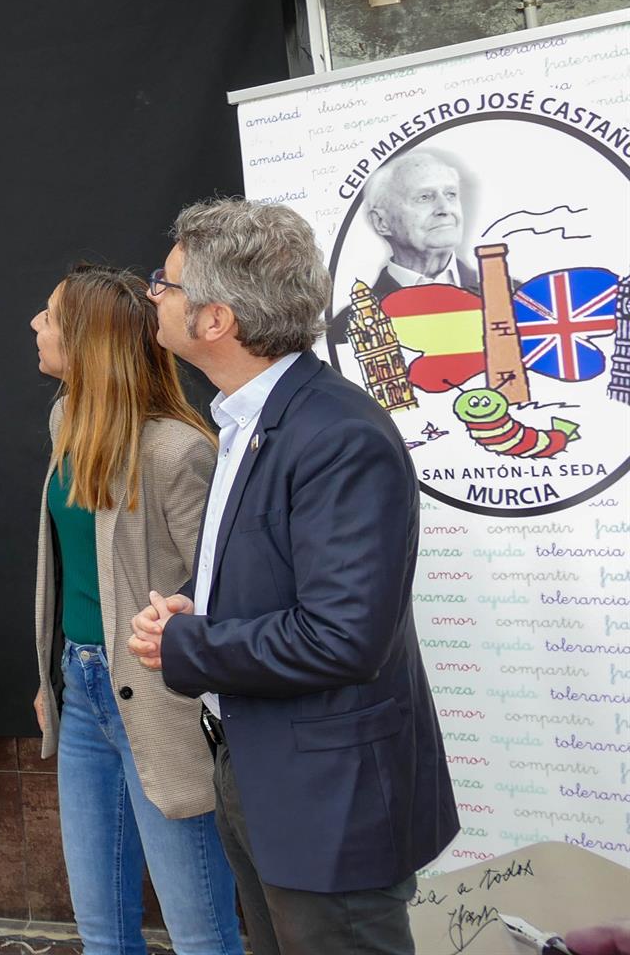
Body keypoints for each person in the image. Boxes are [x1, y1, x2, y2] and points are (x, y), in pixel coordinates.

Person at [127, 198, 457, 955]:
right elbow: (288, 583)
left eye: (166, 284)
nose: (153, 295)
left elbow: (341, 638)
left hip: (328, 801)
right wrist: (202, 607)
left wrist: (190, 644)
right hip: (264, 772)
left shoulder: (336, 433)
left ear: (217, 321)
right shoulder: (253, 417)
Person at [28, 267, 240, 955]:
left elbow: (226, 596)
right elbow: (72, 571)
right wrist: (51, 678)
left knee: (201, 934)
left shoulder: (177, 452)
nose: (36, 325)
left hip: (162, 702)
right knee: (101, 932)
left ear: (89, 341)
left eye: (51, 316)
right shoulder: (64, 419)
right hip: (81, 691)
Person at [363, 150, 478, 299]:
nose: (445, 208)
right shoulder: (351, 321)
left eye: (451, 194)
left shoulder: (511, 299)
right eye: (424, 197)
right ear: (381, 222)